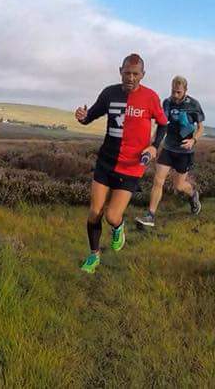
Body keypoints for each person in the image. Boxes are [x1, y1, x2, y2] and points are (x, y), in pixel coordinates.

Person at [74, 53, 168, 274]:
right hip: (106, 162)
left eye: (136, 74)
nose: (131, 78)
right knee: (94, 212)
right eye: (127, 73)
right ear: (120, 71)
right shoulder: (109, 93)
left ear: (142, 75)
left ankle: (118, 227)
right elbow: (91, 115)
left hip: (132, 167)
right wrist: (82, 116)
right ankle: (94, 255)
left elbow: (163, 125)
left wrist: (154, 145)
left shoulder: (151, 97)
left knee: (111, 216)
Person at [136, 76, 205, 228]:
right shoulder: (167, 102)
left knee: (179, 186)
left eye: (178, 92)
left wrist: (193, 140)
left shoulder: (194, 104)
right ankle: (150, 215)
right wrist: (153, 143)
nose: (175, 95)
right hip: (168, 148)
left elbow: (201, 128)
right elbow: (162, 123)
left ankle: (193, 194)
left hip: (185, 152)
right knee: (158, 180)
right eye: (173, 91)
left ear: (185, 91)